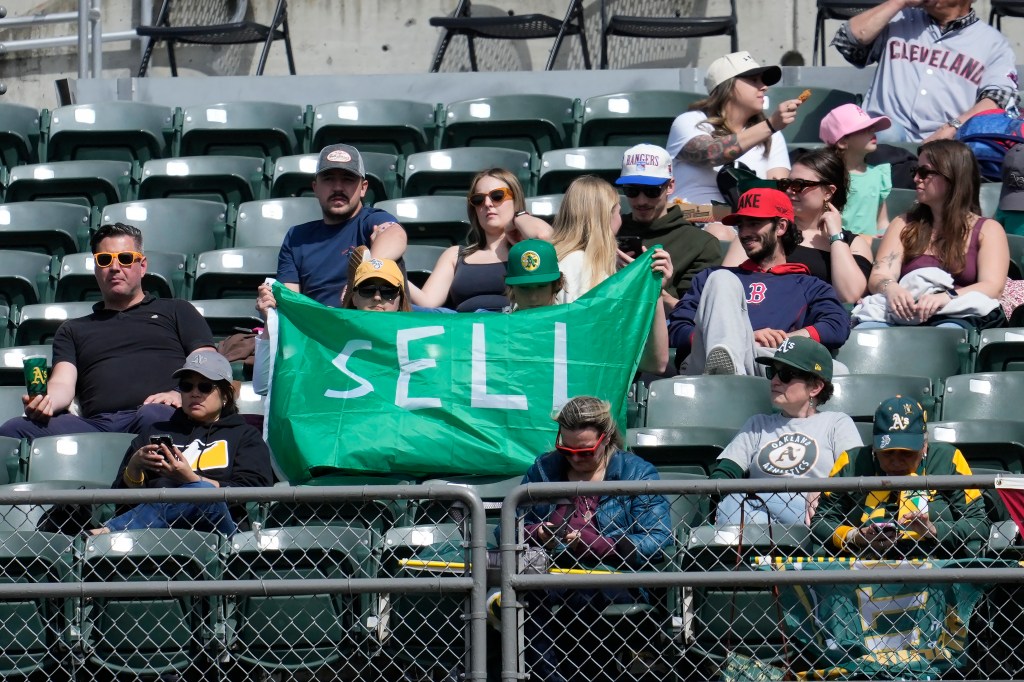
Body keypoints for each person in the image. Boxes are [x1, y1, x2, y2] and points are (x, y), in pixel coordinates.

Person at [0, 223, 216, 440]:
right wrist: (46, 402)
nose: (114, 267)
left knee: (154, 416)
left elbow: (207, 361)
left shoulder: (176, 310)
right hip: (95, 425)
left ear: (142, 266)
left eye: (125, 258)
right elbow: (62, 383)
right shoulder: (73, 329)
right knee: (13, 430)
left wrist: (179, 394)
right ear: (96, 269)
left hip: (157, 413)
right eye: (104, 260)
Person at [517, 396, 671, 682]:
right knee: (521, 595)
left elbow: (658, 538)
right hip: (553, 571)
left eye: (585, 452)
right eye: (566, 449)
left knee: (582, 594)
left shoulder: (636, 472)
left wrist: (603, 545)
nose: (575, 458)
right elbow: (508, 527)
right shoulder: (544, 469)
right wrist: (537, 533)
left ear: (606, 438)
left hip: (618, 576)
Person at [668, 188, 851, 376]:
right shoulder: (711, 277)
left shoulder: (810, 285)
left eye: (754, 224)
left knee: (838, 372)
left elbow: (837, 326)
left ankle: (734, 370)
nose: (745, 233)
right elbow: (678, 329)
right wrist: (743, 339)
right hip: (707, 362)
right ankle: (725, 366)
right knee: (722, 279)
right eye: (741, 225)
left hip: (768, 360)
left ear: (780, 227)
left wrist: (786, 340)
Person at [95, 351, 274, 536]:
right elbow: (124, 504)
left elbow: (256, 491)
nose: (194, 393)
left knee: (203, 492)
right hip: (154, 533)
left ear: (226, 396)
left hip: (218, 531)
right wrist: (134, 468)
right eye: (186, 386)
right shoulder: (155, 431)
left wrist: (191, 479)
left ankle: (111, 530)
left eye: (205, 387)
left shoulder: (244, 435)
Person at [710, 337, 862, 524]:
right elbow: (724, 474)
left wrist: (824, 490)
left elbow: (855, 474)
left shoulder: (836, 423)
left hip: (811, 512)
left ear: (815, 386)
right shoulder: (758, 424)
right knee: (733, 503)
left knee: (737, 505)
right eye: (772, 372)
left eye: (786, 374)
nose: (774, 381)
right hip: (754, 509)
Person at [813, 396, 987, 559]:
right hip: (862, 564)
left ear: (924, 446)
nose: (896, 461)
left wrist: (933, 530)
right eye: (887, 452)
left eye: (906, 453)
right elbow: (821, 522)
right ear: (874, 446)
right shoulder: (851, 462)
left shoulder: (948, 459)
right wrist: (856, 536)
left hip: (934, 564)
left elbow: (978, 522)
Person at [859, 140, 1009, 328]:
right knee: (868, 330)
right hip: (906, 311)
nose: (916, 179)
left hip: (958, 315)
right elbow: (880, 275)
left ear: (952, 176)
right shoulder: (903, 224)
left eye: (924, 172)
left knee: (947, 333)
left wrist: (946, 297)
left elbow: (992, 287)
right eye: (915, 172)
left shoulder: (988, 230)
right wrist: (892, 289)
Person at [830, 0, 1019, 143]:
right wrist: (899, 2)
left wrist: (950, 129)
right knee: (888, 132)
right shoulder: (898, 18)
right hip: (881, 140)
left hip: (946, 146)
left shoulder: (994, 44)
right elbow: (847, 42)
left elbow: (998, 100)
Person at [253, 250, 411, 395]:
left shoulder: (417, 343)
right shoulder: (326, 338)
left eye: (388, 291)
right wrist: (270, 321)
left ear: (400, 299)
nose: (377, 297)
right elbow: (264, 387)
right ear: (354, 297)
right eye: (367, 289)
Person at [727, 148, 874, 303]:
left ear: (828, 192)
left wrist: (836, 236)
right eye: (786, 184)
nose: (789, 191)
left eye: (799, 185)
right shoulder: (763, 229)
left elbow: (849, 296)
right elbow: (728, 283)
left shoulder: (852, 244)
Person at [276, 143, 409, 307]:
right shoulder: (296, 237)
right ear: (315, 188)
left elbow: (396, 235)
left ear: (363, 188)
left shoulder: (370, 220)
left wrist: (361, 276)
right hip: (317, 325)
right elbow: (290, 300)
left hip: (365, 324)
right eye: (328, 179)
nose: (338, 187)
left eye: (348, 179)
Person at [666, 51, 800, 207]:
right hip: (691, 220)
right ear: (727, 86)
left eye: (763, 81)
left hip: (745, 225)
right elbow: (711, 153)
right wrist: (770, 125)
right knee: (720, 231)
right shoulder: (691, 121)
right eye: (754, 80)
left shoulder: (772, 135)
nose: (764, 87)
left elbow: (777, 191)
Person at [409, 168, 553, 311]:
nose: (487, 203)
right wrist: (392, 269)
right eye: (478, 199)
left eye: (497, 196)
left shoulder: (527, 251)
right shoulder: (455, 255)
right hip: (466, 330)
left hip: (512, 329)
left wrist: (518, 216)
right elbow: (427, 303)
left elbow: (543, 235)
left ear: (515, 200)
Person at [614, 143, 723, 311]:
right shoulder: (609, 232)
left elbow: (695, 317)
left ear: (670, 186)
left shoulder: (701, 244)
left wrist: (656, 288)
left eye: (652, 191)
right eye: (632, 190)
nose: (641, 201)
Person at [820, 103, 894, 235]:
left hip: (869, 251)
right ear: (843, 142)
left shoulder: (878, 175)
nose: (873, 132)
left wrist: (883, 235)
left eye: (872, 128)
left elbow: (882, 221)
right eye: (864, 129)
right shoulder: (828, 178)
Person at [550, 175, 621, 303]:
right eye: (618, 212)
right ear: (605, 218)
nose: (620, 220)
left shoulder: (558, 257)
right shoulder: (579, 263)